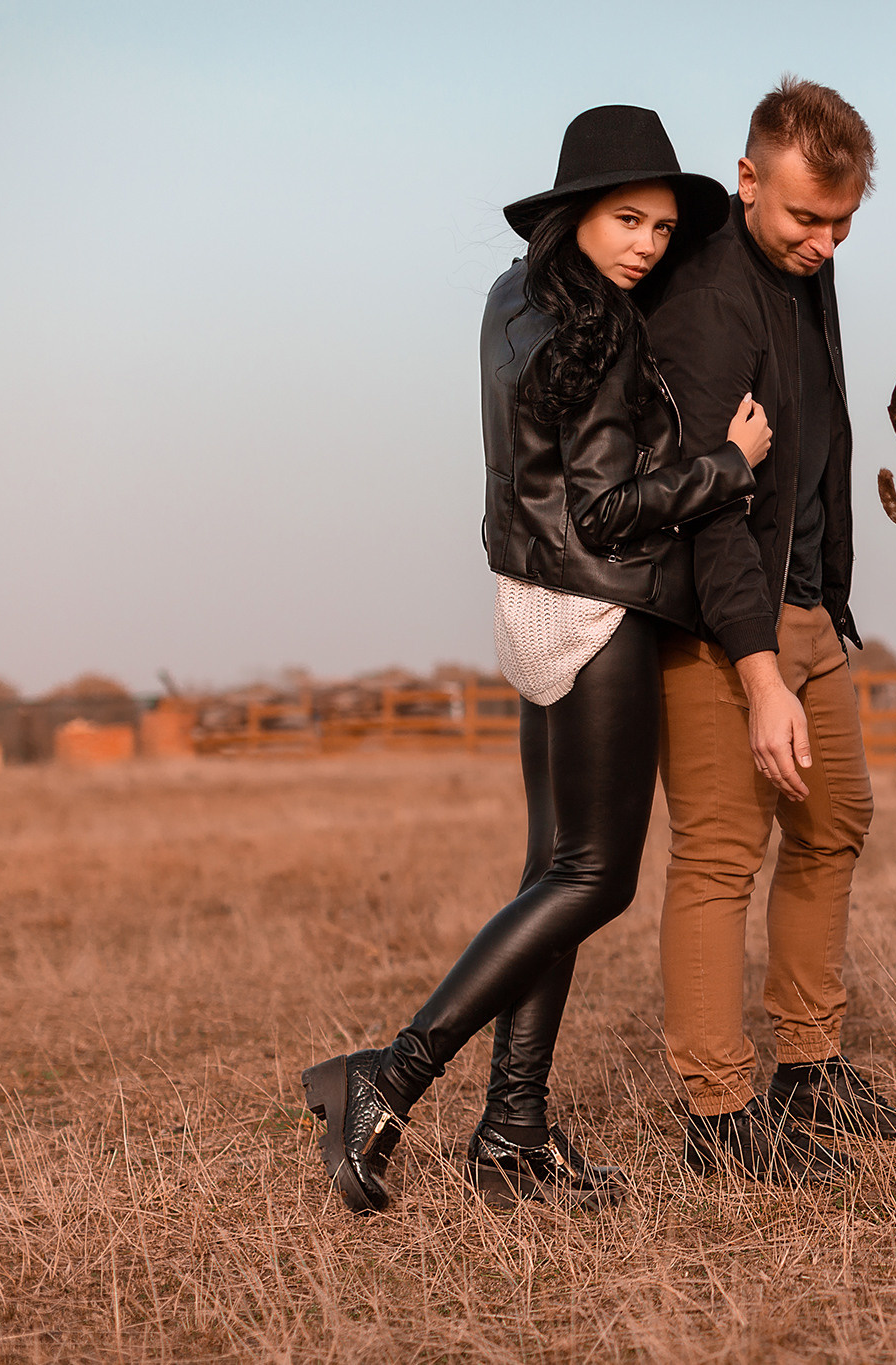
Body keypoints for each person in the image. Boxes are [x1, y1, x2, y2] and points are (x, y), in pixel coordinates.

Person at [302, 105, 768, 1215]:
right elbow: (606, 508)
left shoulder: (514, 297)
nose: (647, 245)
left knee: (549, 876)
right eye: (628, 220)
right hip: (597, 611)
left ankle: (513, 1134)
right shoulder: (603, 328)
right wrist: (727, 462)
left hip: (527, 602)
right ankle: (390, 1077)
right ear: (578, 214)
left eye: (662, 228)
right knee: (595, 878)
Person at [646, 77, 896, 1184]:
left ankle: (808, 1069)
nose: (825, 243)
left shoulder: (806, 272)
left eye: (843, 223)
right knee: (722, 852)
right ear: (746, 178)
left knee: (833, 823)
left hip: (811, 605)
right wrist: (760, 674)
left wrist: (823, 606)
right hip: (727, 625)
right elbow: (709, 506)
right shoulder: (706, 300)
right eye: (806, 218)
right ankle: (719, 1116)